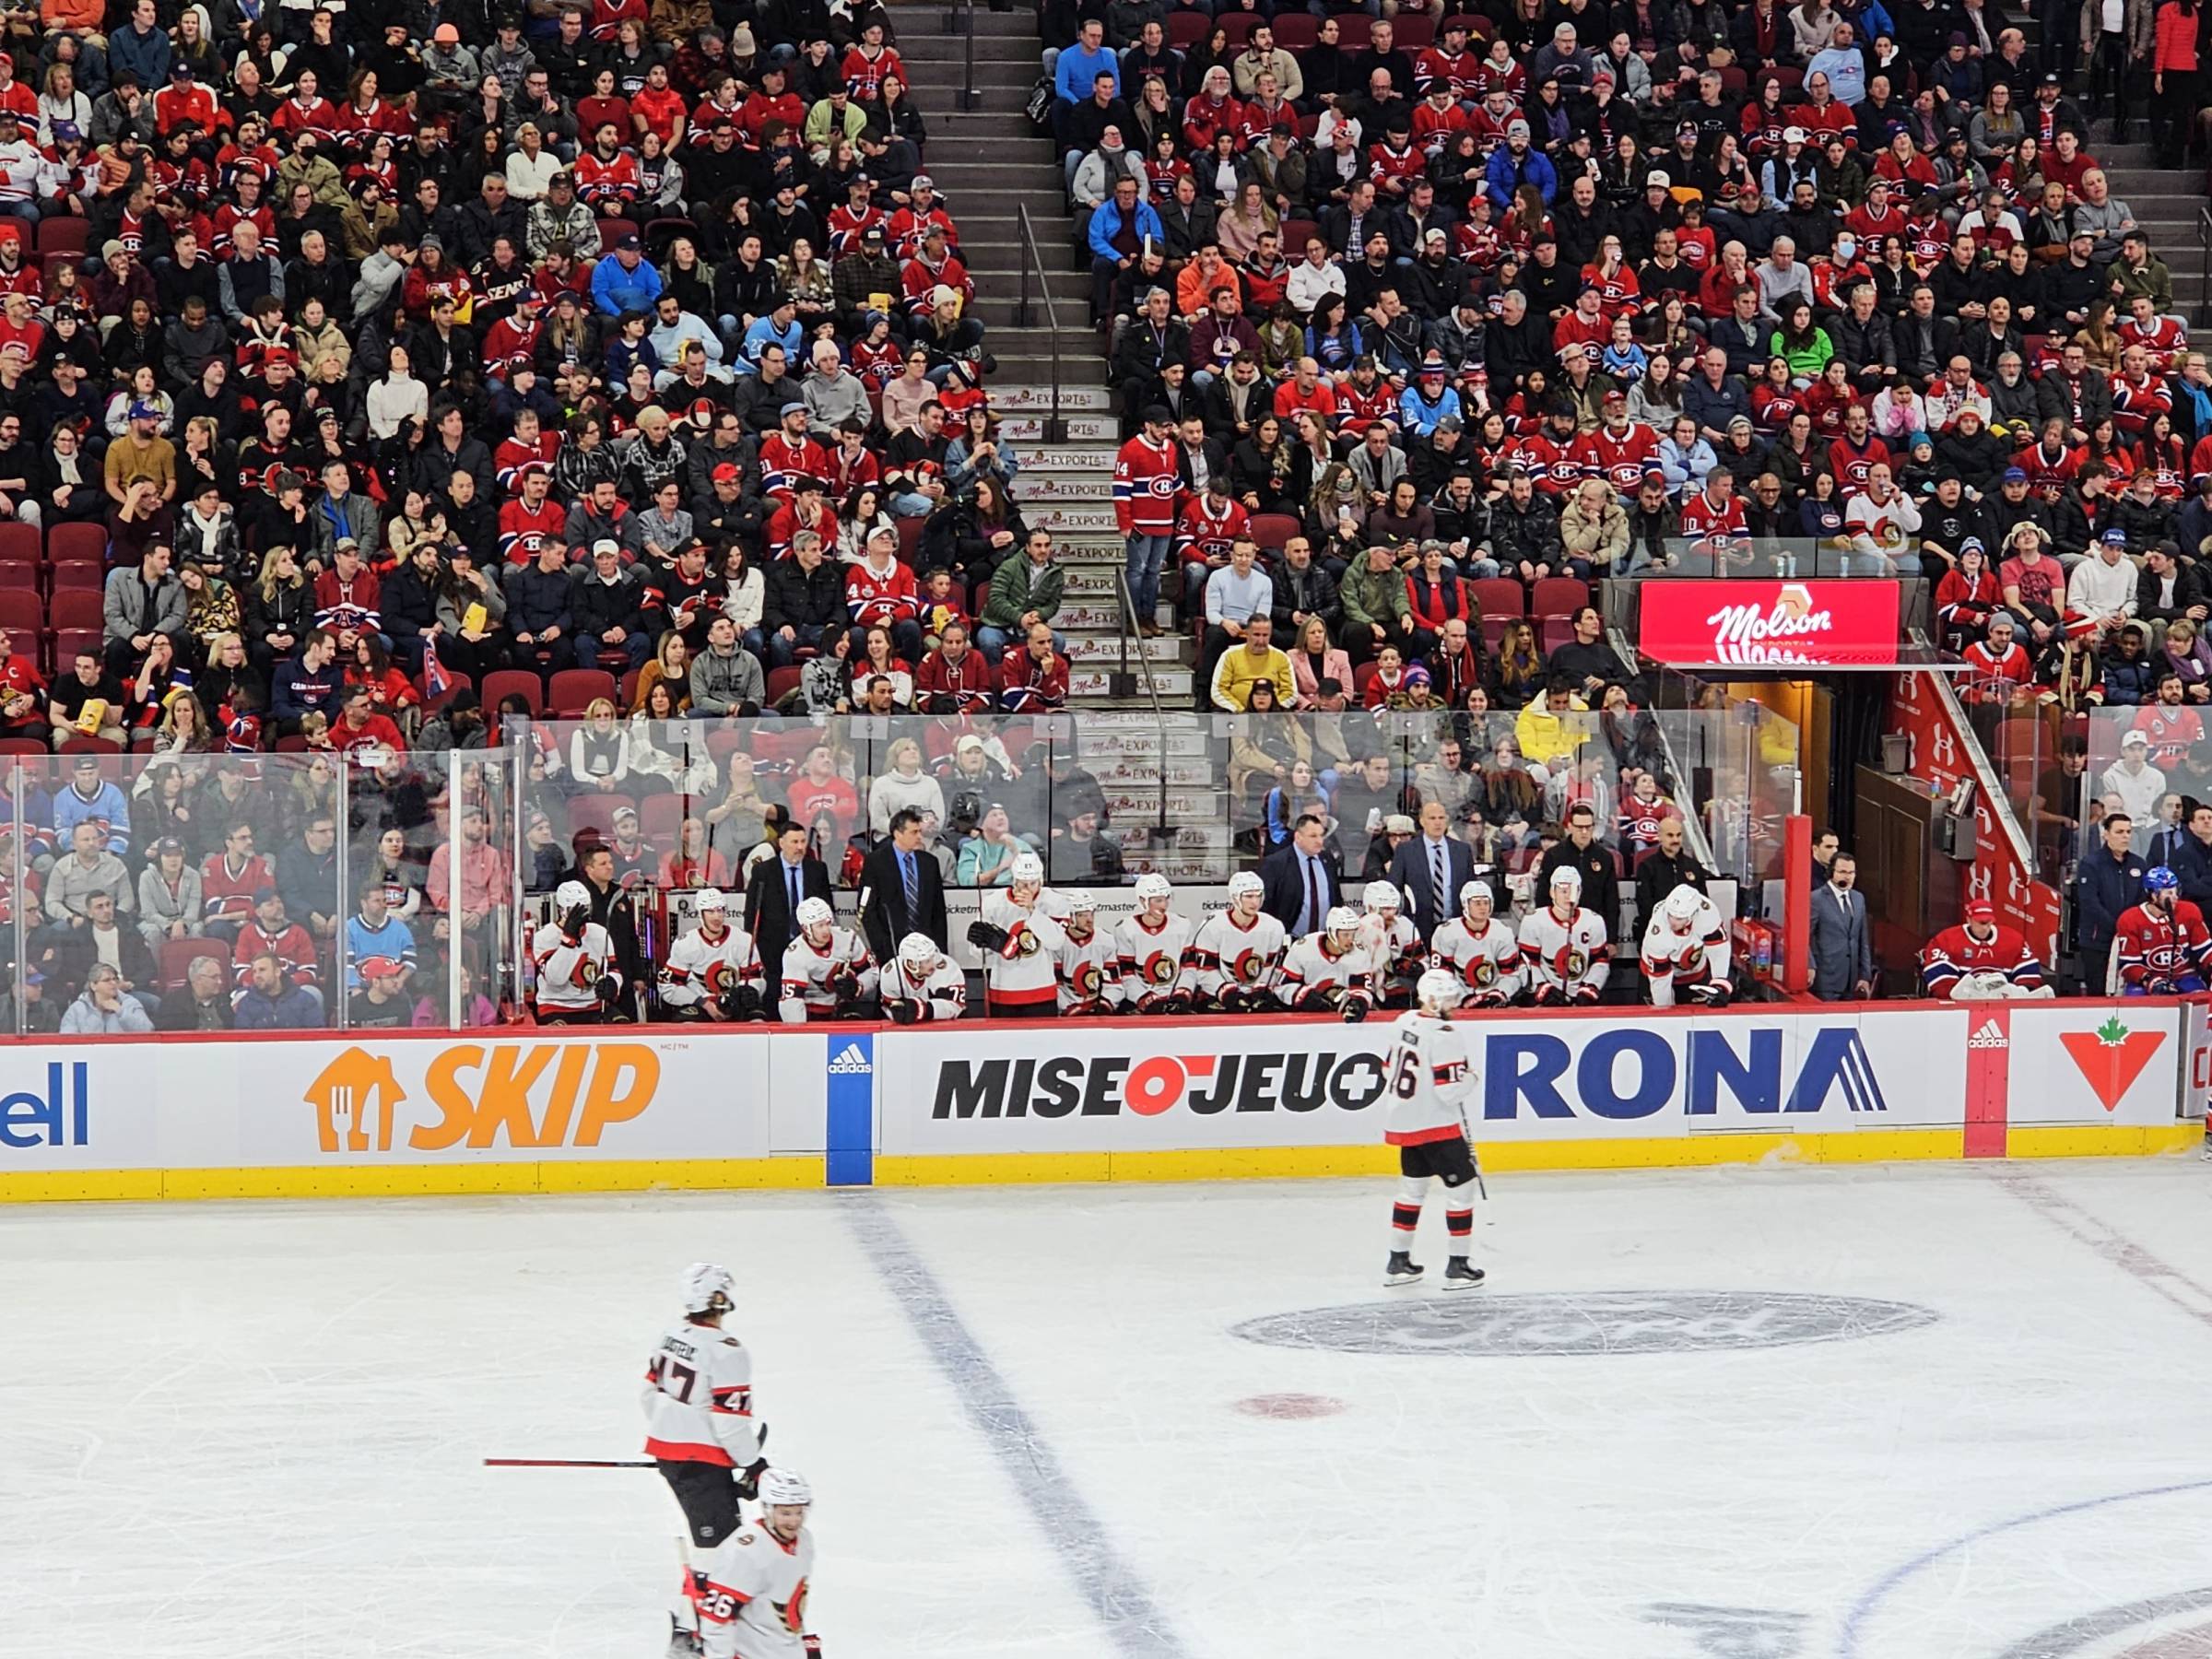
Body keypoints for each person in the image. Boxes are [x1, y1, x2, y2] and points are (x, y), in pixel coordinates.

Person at [641, 1263, 769, 1656]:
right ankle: (689, 1634)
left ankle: (690, 1628)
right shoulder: (727, 1351)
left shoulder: (670, 1336)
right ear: (720, 1299)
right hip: (699, 1462)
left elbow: (649, 1396)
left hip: (673, 1455)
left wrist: (677, 1438)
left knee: (717, 1543)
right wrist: (752, 1464)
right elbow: (729, 1423)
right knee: (721, 1551)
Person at [1380, 969, 1486, 1292]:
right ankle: (1458, 1266)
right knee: (1462, 1192)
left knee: (1411, 1191)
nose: (1455, 1004)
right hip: (1437, 1125)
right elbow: (1449, 1092)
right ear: (1435, 1000)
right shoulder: (1445, 1034)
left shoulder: (1403, 1021)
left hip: (1405, 1122)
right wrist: (1472, 1077)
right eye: (1451, 998)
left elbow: (1386, 1068)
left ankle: (1398, 1262)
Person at [694, 1467, 820, 1659]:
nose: (794, 1521)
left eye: (799, 1512)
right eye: (785, 1513)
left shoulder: (804, 1541)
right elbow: (716, 1619)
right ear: (768, 1509)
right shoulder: (746, 1552)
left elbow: (791, 1604)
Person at [1183, 871, 1288, 1012]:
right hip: (1218, 997)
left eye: (1259, 895)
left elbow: (1273, 968)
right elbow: (1205, 970)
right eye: (1249, 896)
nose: (1255, 902)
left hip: (1257, 996)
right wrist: (1226, 992)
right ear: (1234, 897)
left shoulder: (1274, 926)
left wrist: (1261, 989)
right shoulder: (1213, 925)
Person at [856, 807, 948, 963]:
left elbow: (938, 910)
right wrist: (881, 947)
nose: (919, 836)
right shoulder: (876, 862)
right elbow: (868, 909)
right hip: (890, 946)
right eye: (914, 832)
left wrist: (940, 949)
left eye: (920, 831)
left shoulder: (929, 863)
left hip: (925, 949)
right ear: (898, 834)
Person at [530, 879, 619, 1025]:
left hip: (593, 1006)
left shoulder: (599, 933)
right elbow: (555, 979)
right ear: (560, 909)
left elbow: (613, 968)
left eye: (584, 908)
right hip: (555, 1007)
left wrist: (613, 982)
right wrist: (568, 941)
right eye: (574, 909)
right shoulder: (544, 937)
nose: (580, 914)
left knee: (621, 1024)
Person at [778, 895, 877, 1023]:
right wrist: (800, 1033)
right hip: (812, 1013)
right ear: (805, 928)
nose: (826, 930)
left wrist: (858, 987)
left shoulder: (847, 938)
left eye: (828, 923)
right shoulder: (795, 954)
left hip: (847, 1008)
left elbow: (873, 972)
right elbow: (791, 1002)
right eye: (820, 926)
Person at [1387, 799, 1477, 942]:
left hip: (1456, 926)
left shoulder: (1462, 850)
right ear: (1422, 821)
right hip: (1418, 928)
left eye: (1441, 818)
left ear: (1447, 821)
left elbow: (1472, 887)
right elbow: (1393, 887)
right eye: (1432, 818)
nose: (1437, 822)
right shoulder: (1406, 851)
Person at [2112, 865, 2212, 993]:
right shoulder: (2130, 920)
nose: (2175, 897)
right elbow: (2129, 965)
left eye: (2176, 891)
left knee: (2199, 997)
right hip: (2147, 980)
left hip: (2185, 976)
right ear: (2153, 895)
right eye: (2169, 893)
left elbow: (2205, 950)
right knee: (2135, 999)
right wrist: (2151, 981)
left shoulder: (2189, 911)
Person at [1520, 866, 1611, 1006]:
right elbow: (1526, 963)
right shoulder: (1534, 920)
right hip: (1545, 1001)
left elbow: (1600, 961)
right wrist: (1543, 989)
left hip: (1582, 999)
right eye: (1563, 891)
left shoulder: (1593, 921)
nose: (1569, 896)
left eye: (1573, 890)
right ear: (1552, 892)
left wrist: (1589, 988)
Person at [1920, 901, 2050, 997]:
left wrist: (2018, 993)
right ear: (1969, 920)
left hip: (2005, 1004)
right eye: (1981, 923)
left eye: (1989, 922)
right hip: (1961, 1009)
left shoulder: (2013, 939)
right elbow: (1941, 985)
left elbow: (2030, 977)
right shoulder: (1946, 940)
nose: (1985, 928)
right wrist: (1970, 996)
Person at [1429, 880, 1525, 1007]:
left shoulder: (1503, 932)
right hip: (1456, 1001)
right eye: (1477, 903)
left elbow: (1511, 974)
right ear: (1465, 904)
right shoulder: (1446, 932)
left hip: (1494, 998)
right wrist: (1463, 998)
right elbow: (1440, 974)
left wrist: (1499, 993)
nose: (1483, 907)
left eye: (1486, 902)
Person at [1640, 885, 1735, 1007]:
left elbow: (1719, 948)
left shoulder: (1707, 913)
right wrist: (1664, 1012)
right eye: (1670, 915)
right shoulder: (1657, 934)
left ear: (1692, 915)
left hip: (1694, 970)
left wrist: (1720, 983)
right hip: (1657, 975)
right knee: (1660, 1012)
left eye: (1679, 918)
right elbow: (1660, 980)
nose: (1672, 922)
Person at [1808, 850, 1874, 1000]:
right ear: (1832, 872)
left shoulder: (1858, 898)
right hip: (1825, 980)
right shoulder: (1816, 899)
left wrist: (1865, 975)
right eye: (1843, 872)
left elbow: (1862, 939)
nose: (1848, 877)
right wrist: (1809, 966)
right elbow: (1805, 936)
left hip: (1852, 981)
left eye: (1851, 872)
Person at [877, 932, 969, 1024]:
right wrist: (900, 1014)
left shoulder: (949, 968)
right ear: (912, 964)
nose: (933, 964)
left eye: (933, 956)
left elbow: (956, 1007)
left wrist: (925, 1009)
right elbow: (890, 1008)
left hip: (946, 1026)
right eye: (928, 961)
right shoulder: (891, 973)